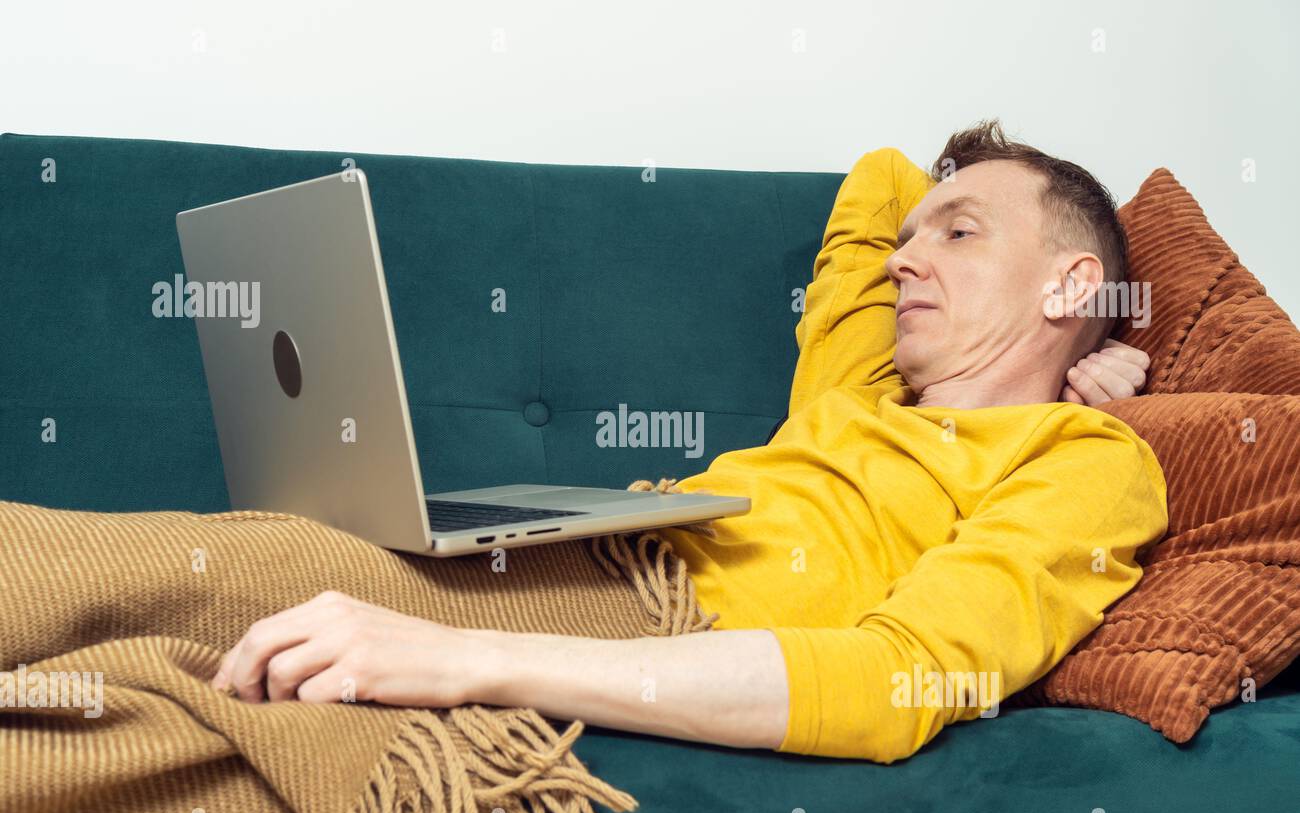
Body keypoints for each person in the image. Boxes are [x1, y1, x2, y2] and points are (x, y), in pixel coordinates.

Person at [211, 120, 1167, 764]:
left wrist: (460, 657)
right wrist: (1058, 304)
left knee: (162, 630)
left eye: (959, 234)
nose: (903, 260)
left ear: (1070, 282)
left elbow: (896, 683)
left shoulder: (1087, 459)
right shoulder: (860, 387)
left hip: (641, 613)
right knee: (197, 586)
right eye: (911, 241)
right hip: (575, 544)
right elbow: (883, 180)